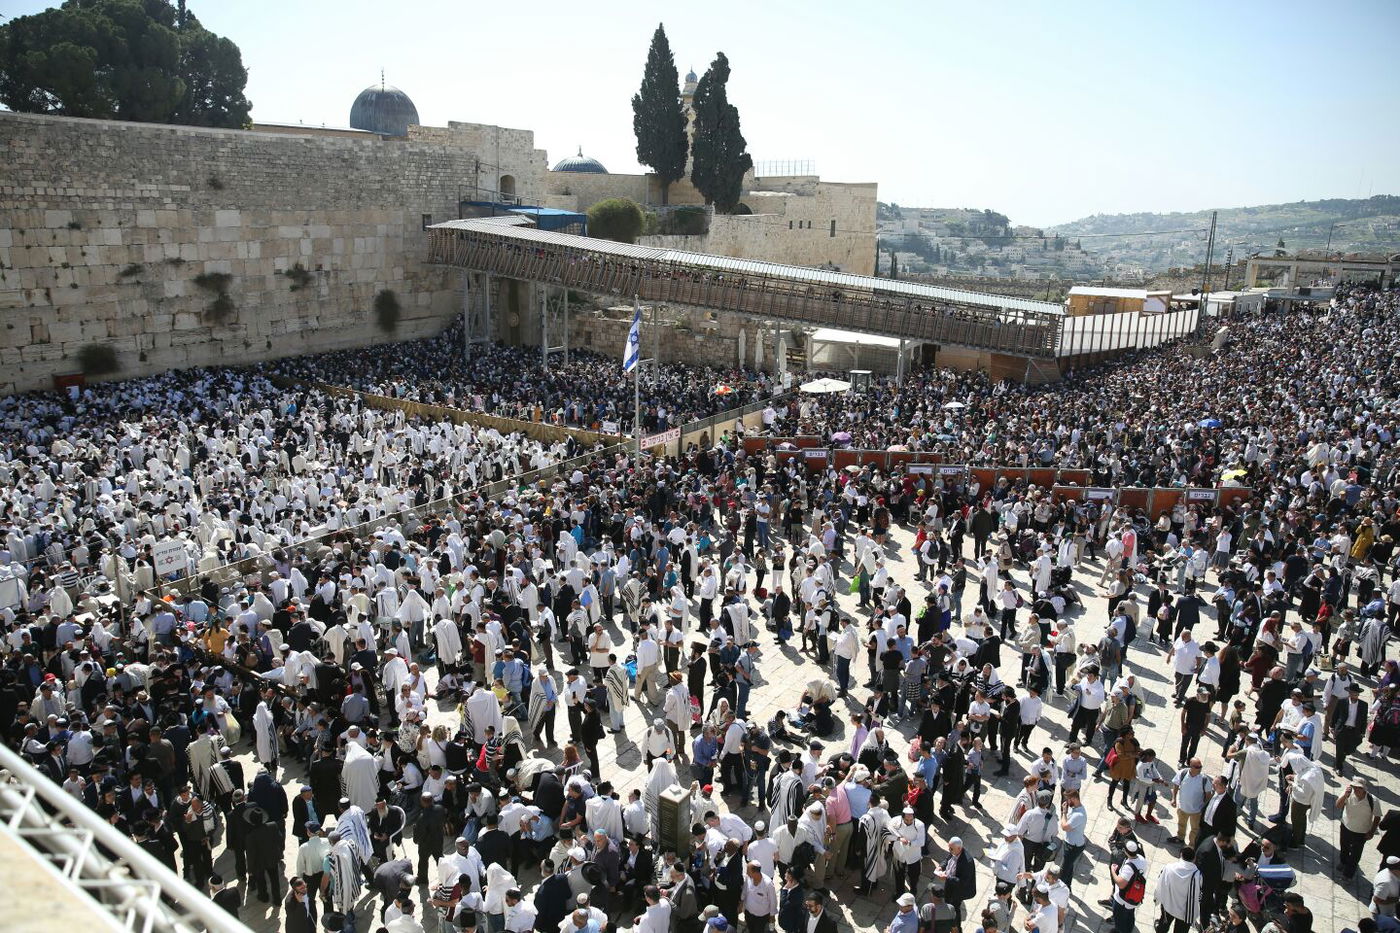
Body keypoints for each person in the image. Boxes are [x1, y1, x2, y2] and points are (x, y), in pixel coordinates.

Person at [1339, 777, 1385, 879]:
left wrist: (1372, 832)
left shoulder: (1373, 800)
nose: (1356, 789)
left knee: (1355, 855)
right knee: (1344, 847)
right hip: (1346, 826)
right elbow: (1338, 805)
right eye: (1354, 787)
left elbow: (1377, 817)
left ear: (1364, 788)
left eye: (1358, 787)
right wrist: (1344, 796)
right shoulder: (1348, 793)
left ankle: (1348, 875)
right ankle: (1343, 862)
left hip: (1361, 832)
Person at [1152, 845, 1201, 933]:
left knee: (1163, 925)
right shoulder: (1197, 876)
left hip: (1168, 906)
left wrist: (1157, 898)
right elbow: (1199, 894)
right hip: (1185, 913)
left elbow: (1161, 883)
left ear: (1181, 855)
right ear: (1194, 859)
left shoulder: (1169, 868)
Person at [1110, 840, 1148, 933]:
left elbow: (1121, 884)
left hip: (1123, 899)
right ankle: (1129, 929)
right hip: (1134, 896)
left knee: (1119, 919)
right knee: (1130, 916)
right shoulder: (1141, 859)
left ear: (1125, 851)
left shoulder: (1129, 867)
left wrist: (1113, 871)